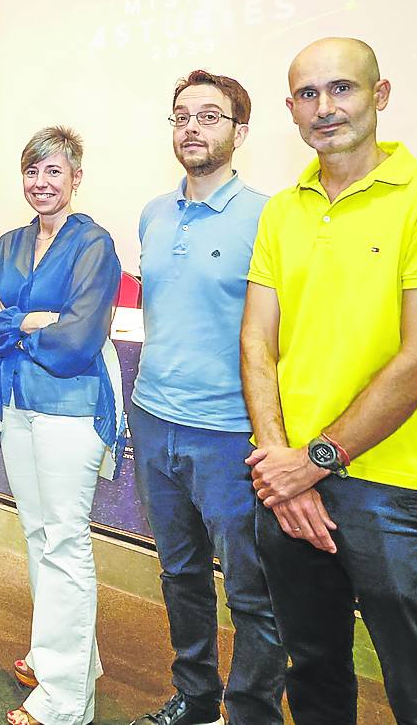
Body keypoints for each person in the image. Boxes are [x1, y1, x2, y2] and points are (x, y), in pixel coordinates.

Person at [242, 37, 417, 724]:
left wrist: (309, 462)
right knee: (311, 674)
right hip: (290, 487)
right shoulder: (281, 211)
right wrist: (280, 465)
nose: (324, 107)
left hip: (394, 495)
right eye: (307, 94)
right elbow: (256, 341)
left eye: (340, 88)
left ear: (379, 95)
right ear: (290, 109)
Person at [129, 72, 284, 725]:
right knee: (180, 575)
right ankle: (194, 694)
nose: (191, 127)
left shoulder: (269, 215)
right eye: (180, 116)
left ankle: (249, 711)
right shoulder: (153, 213)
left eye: (209, 116)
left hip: (228, 433)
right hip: (154, 418)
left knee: (250, 592)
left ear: (238, 131)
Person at [0, 126, 122, 725]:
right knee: (38, 535)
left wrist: (15, 321)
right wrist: (32, 319)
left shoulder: (95, 244)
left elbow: (79, 337)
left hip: (71, 406)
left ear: (75, 178)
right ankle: (68, 663)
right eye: (32, 172)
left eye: (53, 172)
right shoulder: (8, 241)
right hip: (14, 403)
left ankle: (64, 702)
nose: (41, 183)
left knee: (63, 541)